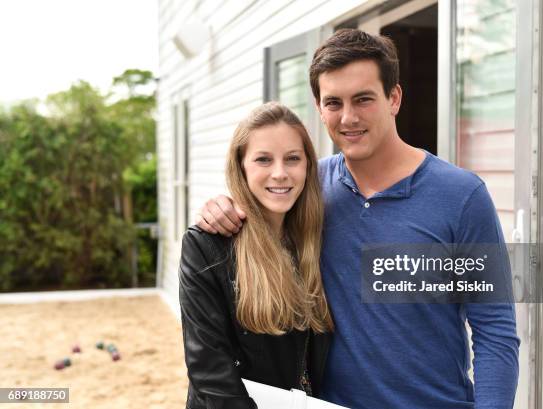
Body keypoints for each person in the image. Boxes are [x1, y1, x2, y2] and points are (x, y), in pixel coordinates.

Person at [197, 29, 520, 409]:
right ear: (319, 108)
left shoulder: (462, 197)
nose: (348, 117)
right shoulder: (308, 189)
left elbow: (495, 331)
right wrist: (220, 207)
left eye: (363, 99)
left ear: (393, 98)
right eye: (334, 102)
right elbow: (257, 200)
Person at [179, 102, 334, 409]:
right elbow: (210, 371)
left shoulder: (315, 241)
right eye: (263, 159)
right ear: (241, 166)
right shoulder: (208, 246)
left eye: (292, 159)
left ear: (307, 166)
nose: (280, 173)